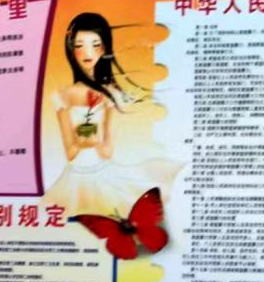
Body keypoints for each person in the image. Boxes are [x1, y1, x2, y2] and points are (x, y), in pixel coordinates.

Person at [43, 12, 181, 216]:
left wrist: (91, 140)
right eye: (80, 45)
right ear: (71, 49)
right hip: (74, 176)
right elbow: (70, 152)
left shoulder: (111, 95)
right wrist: (84, 140)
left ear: (104, 49)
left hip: (103, 172)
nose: (87, 53)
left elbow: (107, 151)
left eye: (95, 45)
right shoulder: (62, 96)